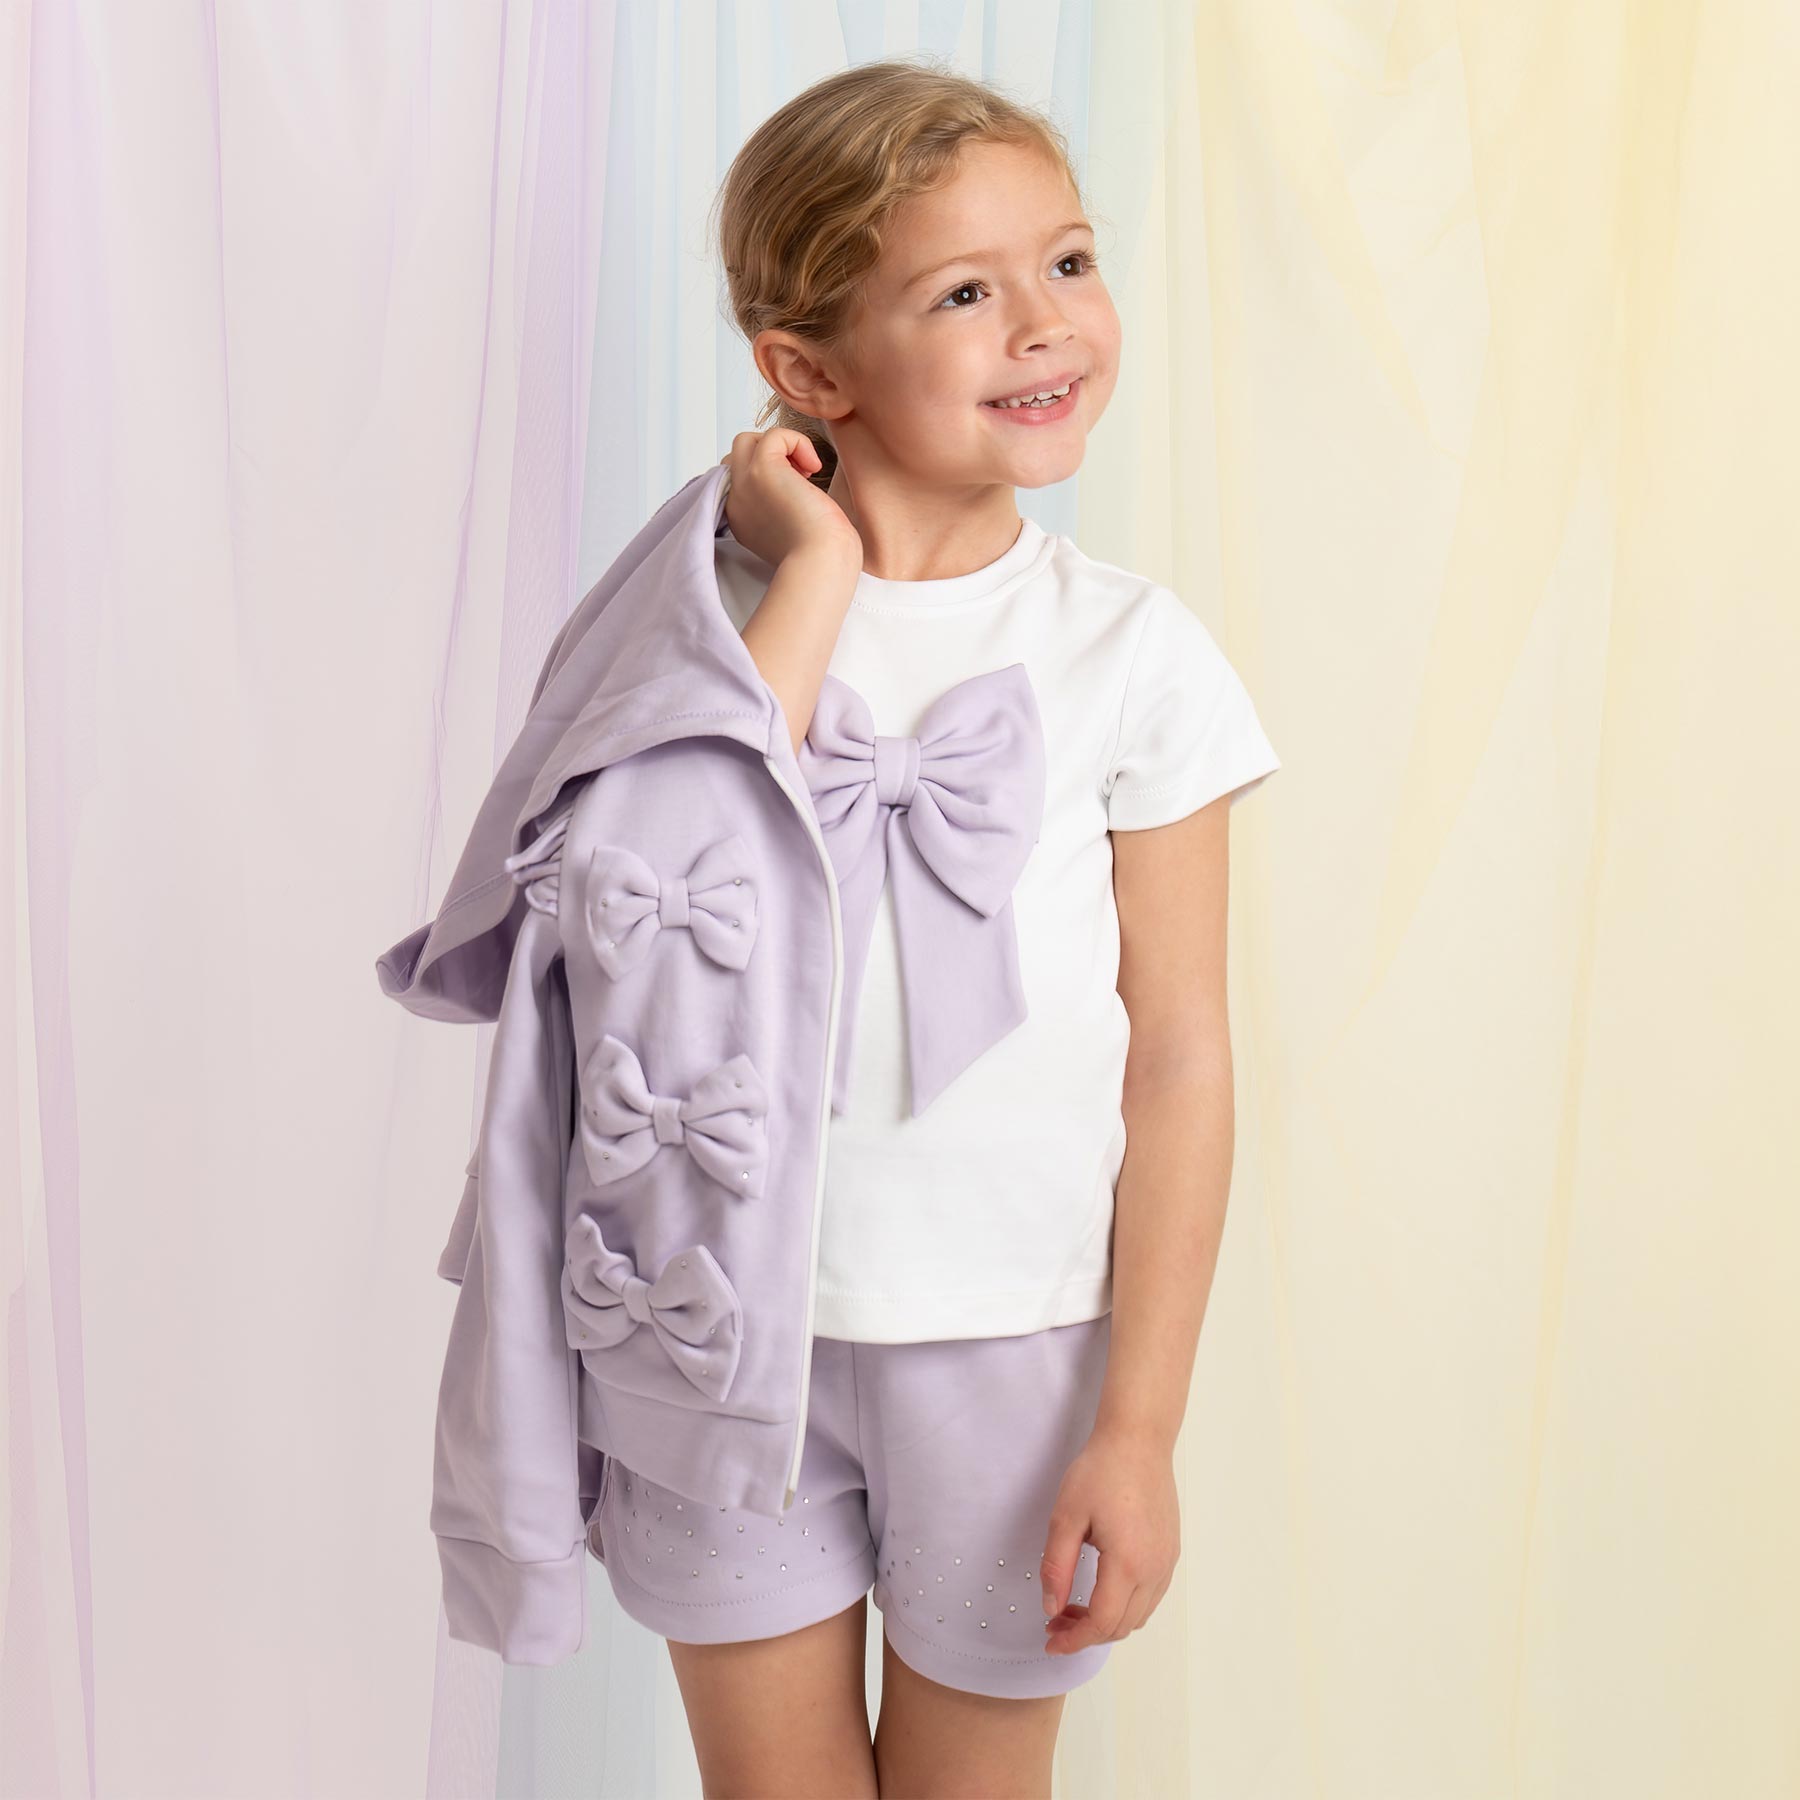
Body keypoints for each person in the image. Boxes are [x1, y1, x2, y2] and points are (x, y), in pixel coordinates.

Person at [586, 56, 1282, 1797]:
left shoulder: (1135, 653)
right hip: (718, 1324)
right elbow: (647, 909)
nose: (1045, 324)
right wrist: (815, 573)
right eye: (966, 292)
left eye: (1069, 261)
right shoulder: (696, 628)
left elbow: (1182, 1058)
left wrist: (1139, 1426)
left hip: (1020, 1350)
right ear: (809, 371)